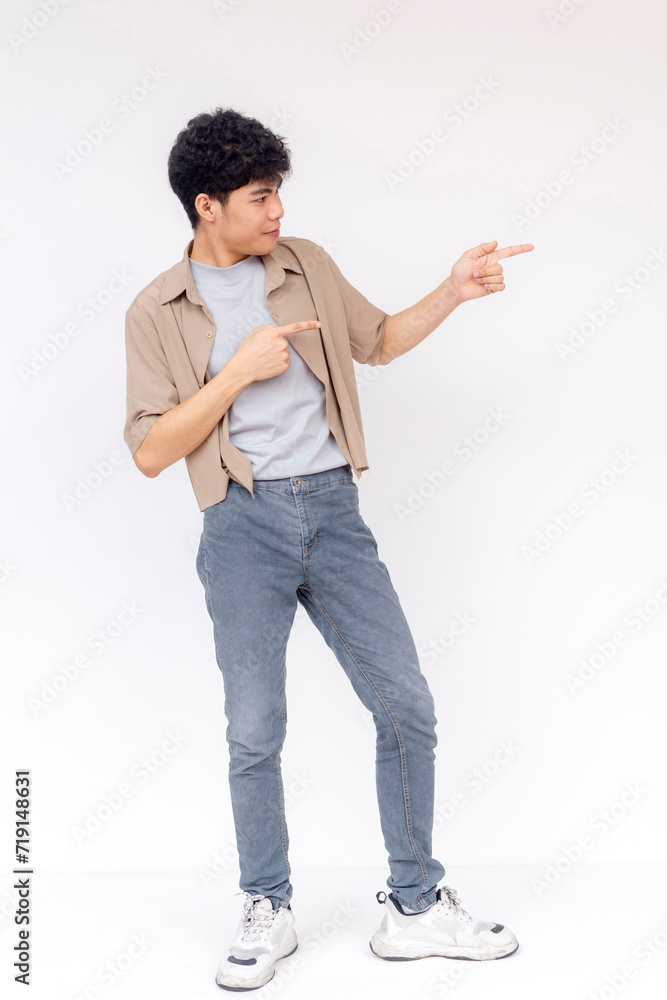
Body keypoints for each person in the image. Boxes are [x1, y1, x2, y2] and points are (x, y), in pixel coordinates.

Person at [122, 106, 533, 992]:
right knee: (255, 730)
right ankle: (266, 907)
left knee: (406, 707)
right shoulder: (157, 309)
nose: (277, 212)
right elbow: (152, 450)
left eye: (278, 194)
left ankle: (414, 910)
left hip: (336, 513)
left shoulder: (304, 265)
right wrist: (235, 372)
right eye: (259, 197)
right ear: (206, 205)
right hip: (240, 523)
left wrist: (452, 289)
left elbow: (376, 340)